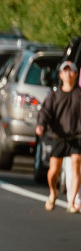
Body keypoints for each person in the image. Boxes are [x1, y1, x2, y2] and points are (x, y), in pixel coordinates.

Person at [36, 60, 81, 213]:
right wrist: (41, 125)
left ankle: (72, 202)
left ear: (76, 74)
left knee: (76, 164)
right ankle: (52, 192)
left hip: (76, 137)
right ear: (61, 75)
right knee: (54, 170)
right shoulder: (54, 96)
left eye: (71, 71)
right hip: (58, 137)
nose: (68, 74)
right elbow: (45, 112)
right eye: (65, 71)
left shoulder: (79, 94)